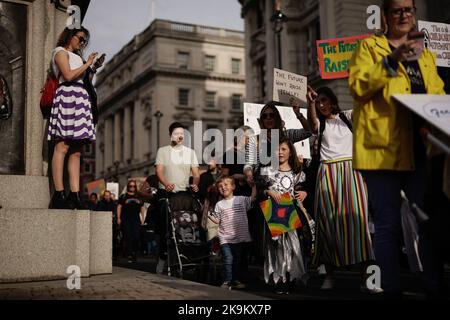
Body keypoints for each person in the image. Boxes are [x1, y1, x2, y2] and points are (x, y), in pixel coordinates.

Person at [348, 0, 445, 299]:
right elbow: (358, 86)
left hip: (420, 151)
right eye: (397, 10)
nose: (404, 15)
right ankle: (391, 288)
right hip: (381, 151)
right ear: (386, 16)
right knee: (388, 225)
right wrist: (392, 59)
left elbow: (438, 95)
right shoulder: (369, 48)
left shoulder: (426, 55)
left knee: (429, 223)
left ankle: (435, 286)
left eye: (409, 10)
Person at [305, 86, 377, 292]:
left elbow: (364, 106)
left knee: (359, 224)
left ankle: (369, 280)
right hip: (327, 173)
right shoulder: (320, 123)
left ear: (333, 101)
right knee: (327, 223)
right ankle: (329, 276)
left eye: (324, 100)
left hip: (352, 172)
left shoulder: (347, 117)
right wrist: (309, 102)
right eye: (318, 102)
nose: (321, 105)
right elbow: (312, 124)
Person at [48, 27, 100, 209]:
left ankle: (75, 194)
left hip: (80, 98)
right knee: (62, 146)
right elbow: (69, 75)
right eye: (80, 38)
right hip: (68, 96)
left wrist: (92, 68)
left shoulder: (79, 57)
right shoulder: (60, 52)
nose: (82, 43)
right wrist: (87, 64)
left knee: (77, 150)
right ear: (70, 36)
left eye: (85, 41)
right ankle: (59, 193)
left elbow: (83, 80)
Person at [255, 137, 309, 294]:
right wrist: (267, 191)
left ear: (290, 152)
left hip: (292, 212)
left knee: (293, 247)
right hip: (274, 213)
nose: (280, 152)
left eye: (283, 149)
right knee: (277, 248)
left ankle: (292, 277)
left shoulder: (297, 172)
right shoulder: (267, 170)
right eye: (277, 149)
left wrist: (304, 192)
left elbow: (303, 188)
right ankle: (279, 280)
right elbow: (258, 192)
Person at [154, 122, 200, 274]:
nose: (180, 136)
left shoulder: (190, 152)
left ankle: (187, 259)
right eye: (176, 133)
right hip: (167, 194)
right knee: (166, 229)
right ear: (171, 134)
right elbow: (159, 171)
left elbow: (196, 174)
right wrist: (166, 183)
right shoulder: (163, 151)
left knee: (186, 227)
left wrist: (195, 184)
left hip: (184, 195)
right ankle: (162, 257)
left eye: (182, 133)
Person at [208, 175, 256, 289]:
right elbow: (218, 220)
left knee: (236, 260)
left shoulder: (241, 199)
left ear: (233, 186)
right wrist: (209, 216)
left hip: (239, 237)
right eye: (220, 186)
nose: (223, 187)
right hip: (225, 237)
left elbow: (253, 198)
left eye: (226, 185)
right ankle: (226, 281)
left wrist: (253, 186)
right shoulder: (219, 204)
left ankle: (234, 280)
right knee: (228, 259)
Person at [117, 180, 145, 263]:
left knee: (136, 236)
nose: (132, 188)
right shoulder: (123, 196)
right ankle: (129, 254)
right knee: (128, 236)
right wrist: (119, 218)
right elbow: (119, 207)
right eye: (130, 186)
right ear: (128, 187)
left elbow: (142, 208)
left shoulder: (139, 196)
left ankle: (134, 252)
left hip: (136, 218)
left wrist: (143, 218)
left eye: (133, 186)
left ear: (135, 187)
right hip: (126, 219)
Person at [97, 190, 119, 259]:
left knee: (113, 240)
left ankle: (114, 255)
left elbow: (115, 212)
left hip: (112, 224)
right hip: (103, 224)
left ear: (110, 195)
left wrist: (114, 216)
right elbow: (98, 212)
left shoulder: (114, 203)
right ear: (104, 196)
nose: (107, 197)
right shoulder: (100, 203)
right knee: (104, 240)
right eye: (105, 195)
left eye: (108, 195)